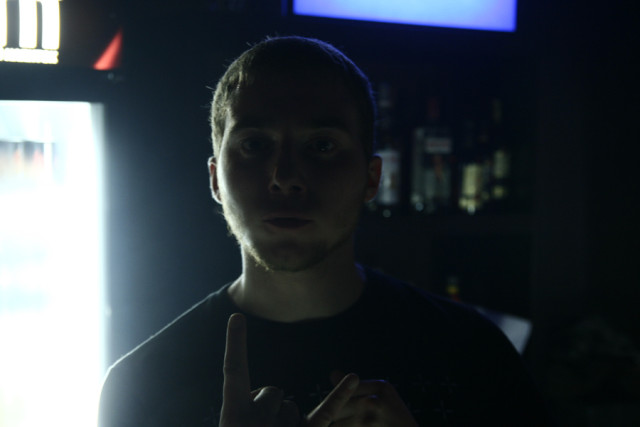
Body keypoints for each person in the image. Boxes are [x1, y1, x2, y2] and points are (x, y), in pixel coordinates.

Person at [99, 36, 552, 426]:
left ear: (372, 178)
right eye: (254, 145)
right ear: (216, 179)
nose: (285, 176)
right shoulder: (142, 384)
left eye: (321, 145)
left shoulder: (473, 354)